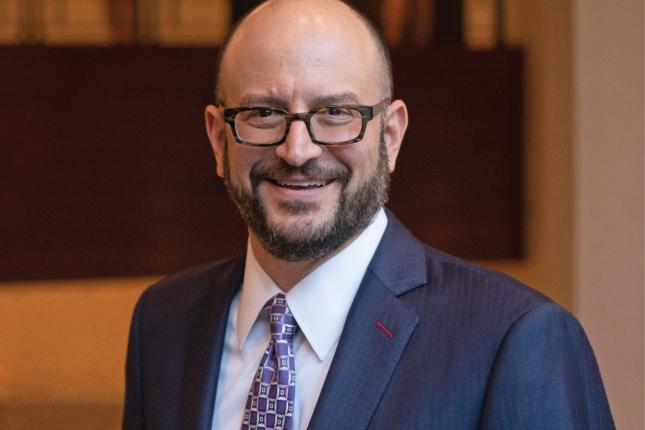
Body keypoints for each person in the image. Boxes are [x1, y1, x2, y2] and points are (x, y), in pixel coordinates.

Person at [122, 1, 614, 429]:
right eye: (264, 113)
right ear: (217, 138)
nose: (298, 150)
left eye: (336, 113)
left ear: (391, 135)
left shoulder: (514, 340)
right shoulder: (165, 323)